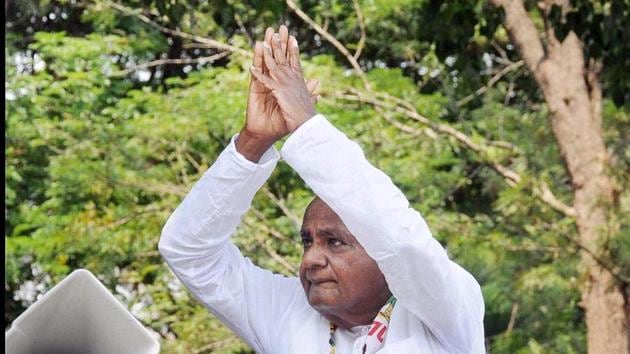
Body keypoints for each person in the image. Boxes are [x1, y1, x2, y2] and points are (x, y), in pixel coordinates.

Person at [158, 25, 485, 354]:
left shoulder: (443, 308)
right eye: (307, 241)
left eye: (335, 242)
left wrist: (305, 122)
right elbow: (189, 251)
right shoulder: (288, 313)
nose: (311, 259)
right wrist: (252, 142)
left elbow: (403, 241)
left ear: (381, 253)